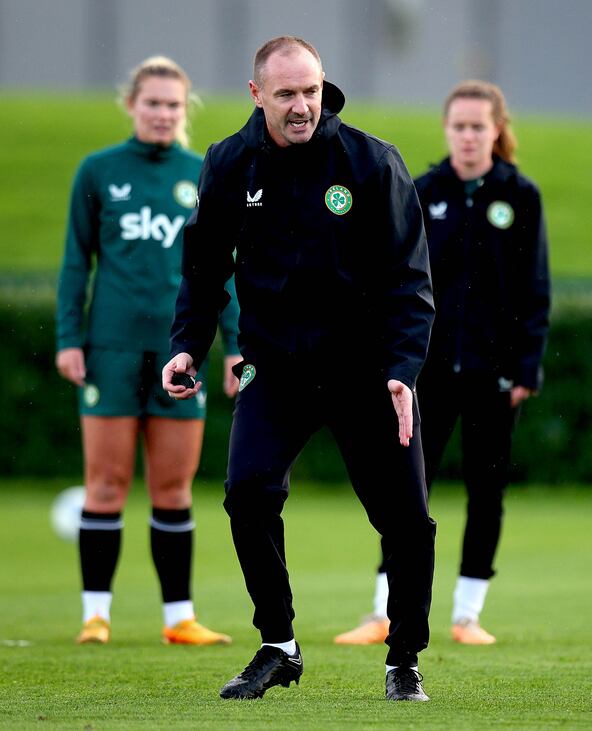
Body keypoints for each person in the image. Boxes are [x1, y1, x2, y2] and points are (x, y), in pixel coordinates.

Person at [161, 36, 436, 702]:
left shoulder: (371, 162)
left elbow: (410, 277)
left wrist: (402, 369)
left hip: (367, 370)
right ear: (258, 95)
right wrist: (187, 346)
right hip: (276, 368)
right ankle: (278, 644)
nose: (302, 106)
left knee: (405, 518)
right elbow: (203, 270)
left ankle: (404, 657)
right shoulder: (228, 163)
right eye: (286, 94)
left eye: (310, 90)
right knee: (247, 492)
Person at [334, 80, 550, 647]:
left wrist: (526, 368)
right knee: (405, 490)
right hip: (424, 373)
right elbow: (393, 280)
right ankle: (384, 610)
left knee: (487, 491)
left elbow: (536, 289)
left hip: (493, 374)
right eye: (459, 126)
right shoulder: (423, 189)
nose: (469, 135)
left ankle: (467, 615)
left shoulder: (520, 196)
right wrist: (393, 360)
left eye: (480, 126)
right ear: (446, 129)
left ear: (497, 130)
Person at [56, 56, 241, 647]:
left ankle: (178, 618)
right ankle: (95, 614)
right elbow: (73, 263)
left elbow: (222, 272)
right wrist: (68, 338)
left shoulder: (204, 172)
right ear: (132, 105)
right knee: (105, 483)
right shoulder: (97, 171)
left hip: (179, 354)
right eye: (153, 103)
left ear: (185, 111)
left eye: (173, 105)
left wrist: (236, 346)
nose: (163, 113)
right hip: (110, 351)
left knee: (173, 488)